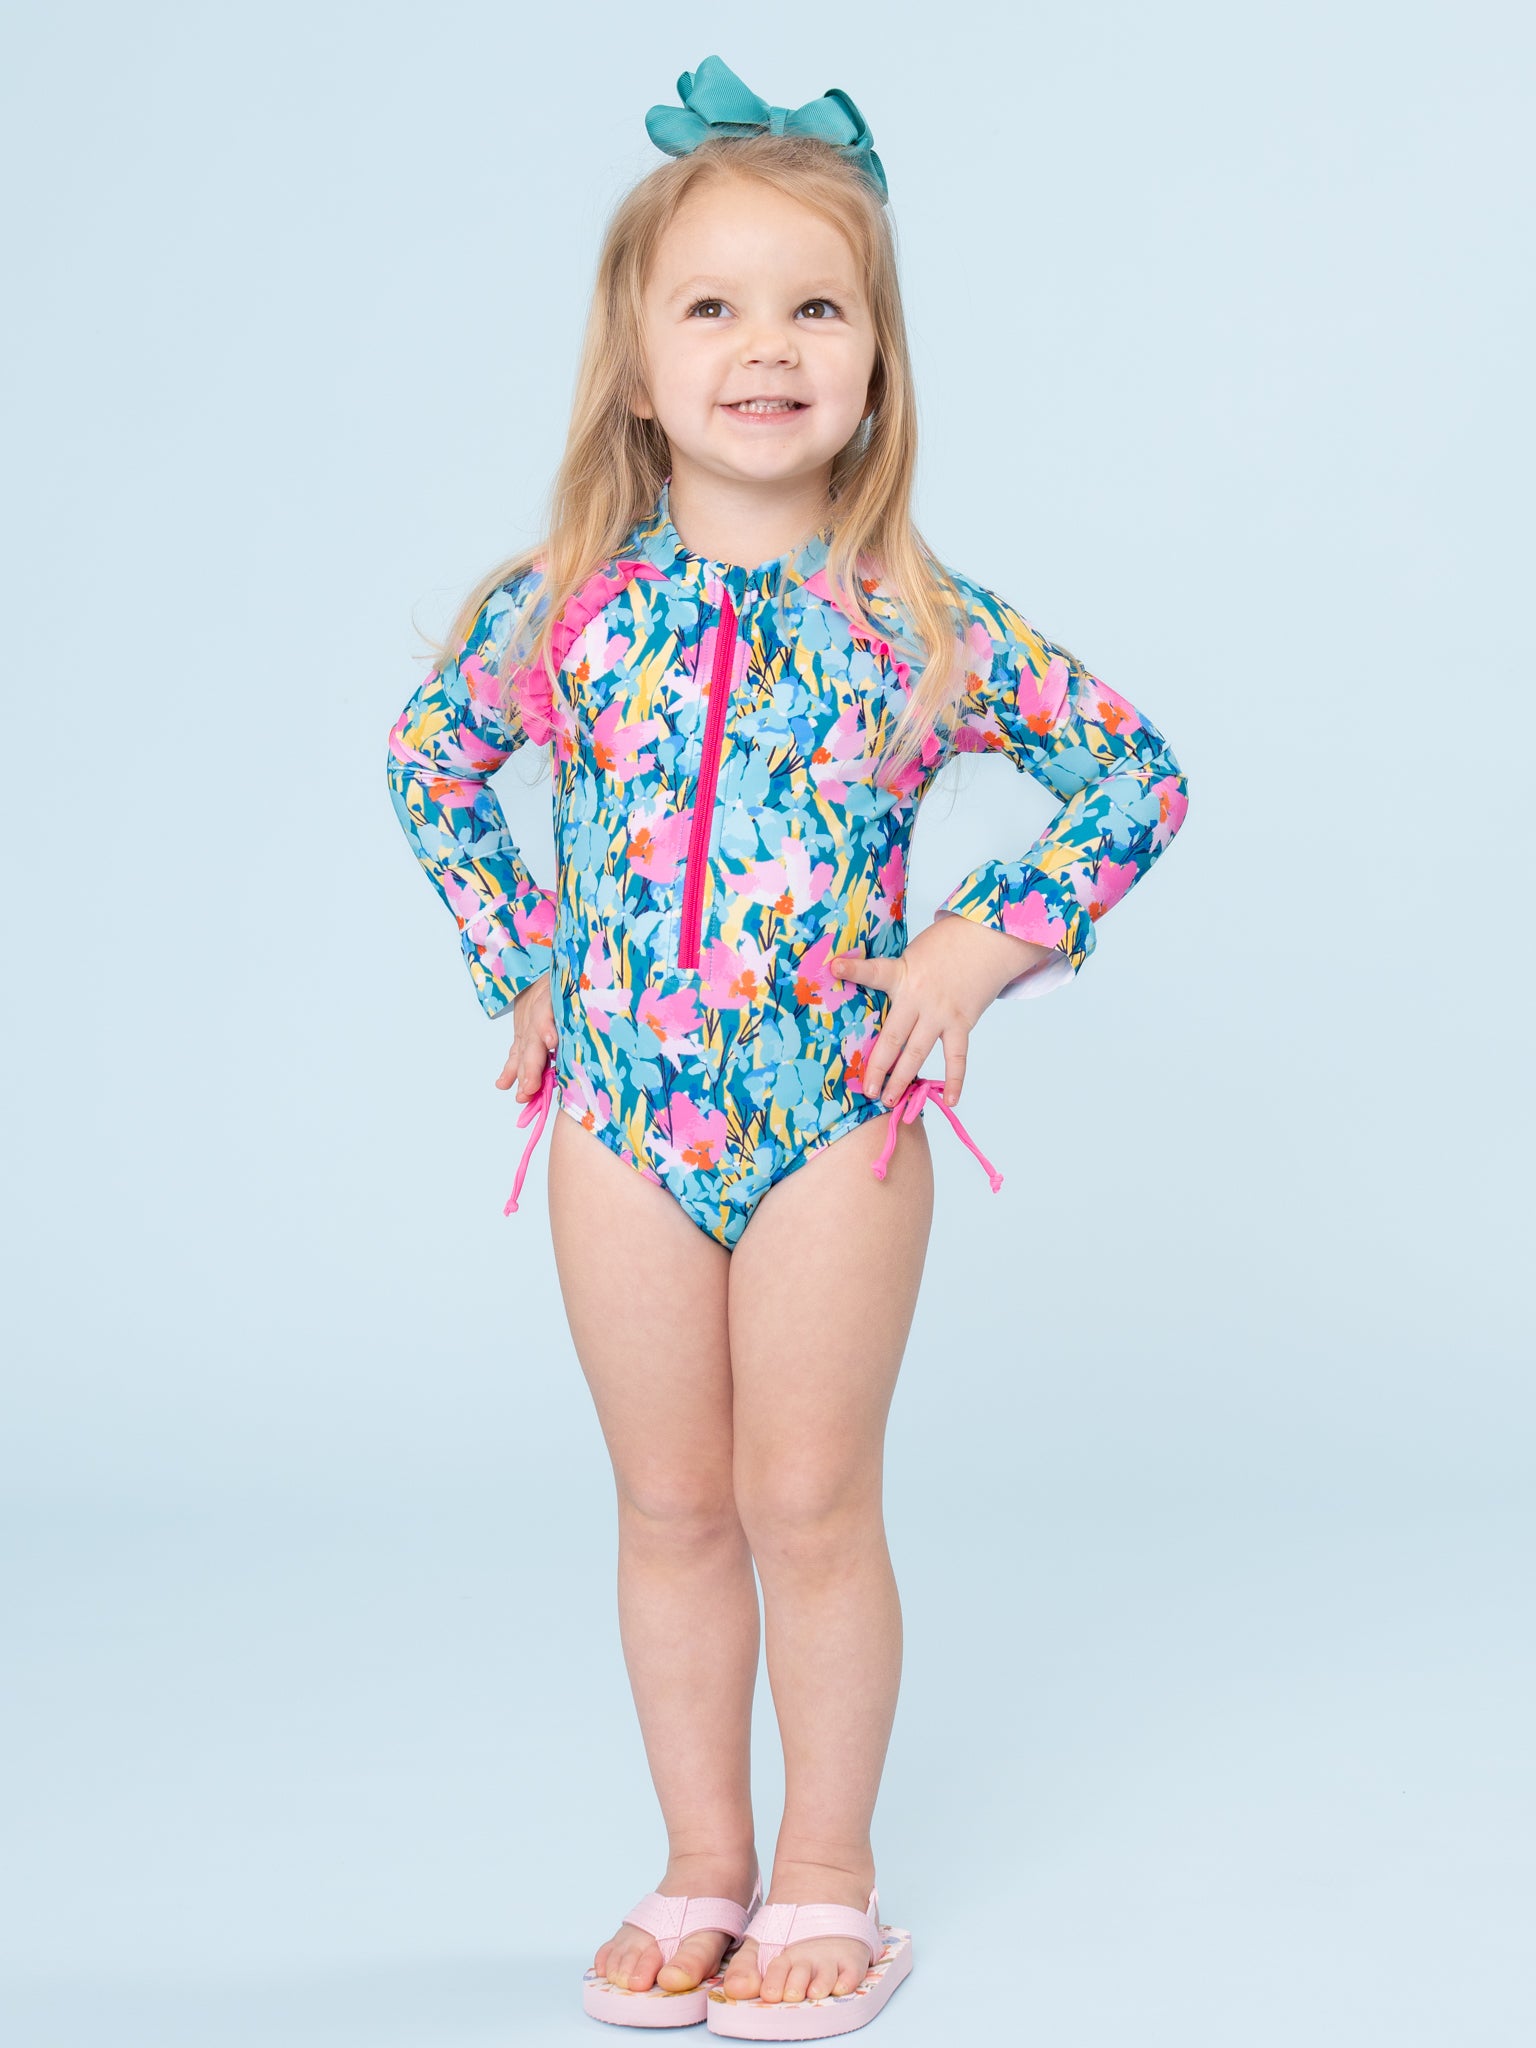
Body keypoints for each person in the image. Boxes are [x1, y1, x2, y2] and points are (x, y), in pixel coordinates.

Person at [385, 54, 1190, 2040]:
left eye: (818, 306)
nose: (767, 347)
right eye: (715, 308)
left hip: (839, 1119)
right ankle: (700, 1865)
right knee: (672, 1505)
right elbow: (430, 763)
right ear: (638, 371)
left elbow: (1135, 778)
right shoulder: (566, 610)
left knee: (808, 1498)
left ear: (878, 368)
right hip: (621, 1121)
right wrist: (524, 963)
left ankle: (830, 1877)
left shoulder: (918, 617)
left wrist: (973, 950)